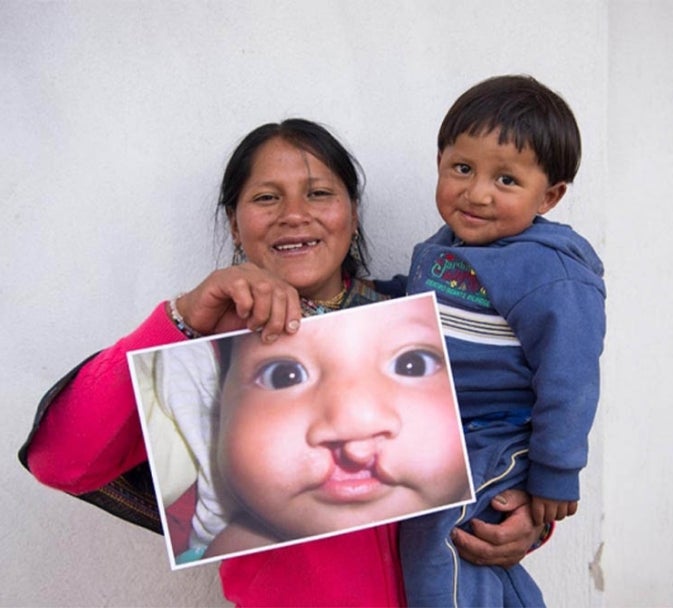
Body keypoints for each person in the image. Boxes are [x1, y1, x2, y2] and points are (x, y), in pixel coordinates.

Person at [18, 118, 545, 606]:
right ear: (234, 222)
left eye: (319, 194)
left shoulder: (427, 326)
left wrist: (526, 517)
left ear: (352, 213)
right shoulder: (203, 355)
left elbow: (506, 434)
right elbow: (61, 461)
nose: (295, 215)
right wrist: (181, 317)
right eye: (267, 197)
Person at [387, 75, 607, 606]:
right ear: (440, 162)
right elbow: (419, 305)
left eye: (506, 180)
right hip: (448, 434)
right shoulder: (443, 250)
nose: (477, 192)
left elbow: (570, 379)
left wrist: (555, 474)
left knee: (437, 536)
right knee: (472, 552)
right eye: (462, 168)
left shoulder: (550, 274)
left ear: (549, 196)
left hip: (498, 439)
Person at [203, 294, 471, 558]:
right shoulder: (240, 552)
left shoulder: (488, 516)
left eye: (411, 365)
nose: (353, 422)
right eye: (284, 376)